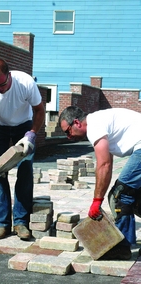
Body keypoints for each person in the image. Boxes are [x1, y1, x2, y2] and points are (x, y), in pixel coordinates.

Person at [59, 105, 141, 260]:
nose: (68, 137)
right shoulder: (100, 122)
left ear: (76, 122)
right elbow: (107, 166)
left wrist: (97, 201)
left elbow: (103, 165)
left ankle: (122, 248)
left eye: (67, 131)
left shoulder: (94, 126)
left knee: (120, 196)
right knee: (134, 196)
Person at [0, 58, 45, 240]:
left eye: (2, 85)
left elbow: (40, 110)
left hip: (24, 126)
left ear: (9, 76)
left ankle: (21, 222)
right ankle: (3, 224)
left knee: (24, 170)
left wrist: (31, 134)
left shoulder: (25, 82)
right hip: (0, 127)